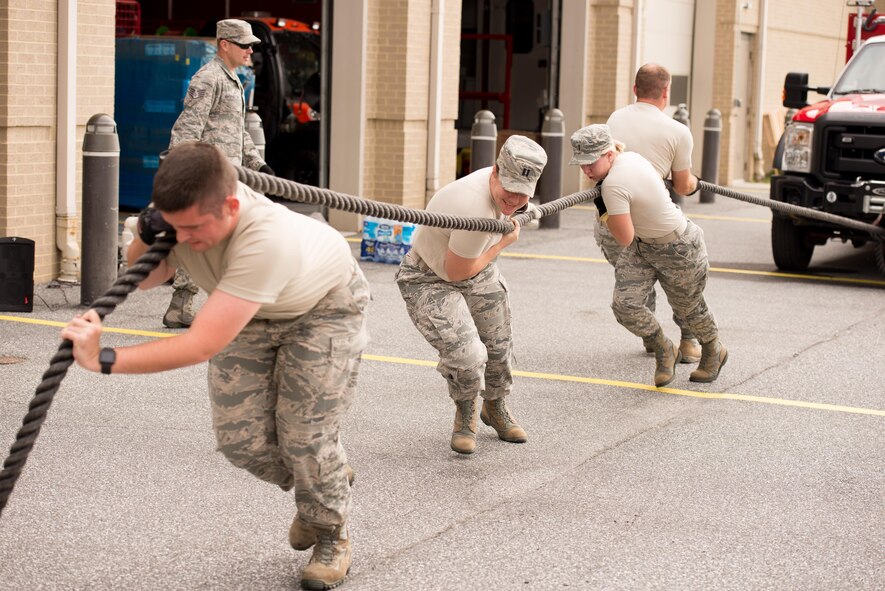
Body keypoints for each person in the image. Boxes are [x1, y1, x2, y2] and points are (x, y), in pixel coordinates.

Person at [61, 142, 366, 590]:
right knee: (240, 442)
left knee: (305, 435)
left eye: (193, 229)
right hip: (247, 310)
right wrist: (147, 235)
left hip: (322, 308)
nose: (182, 239)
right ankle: (321, 478)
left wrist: (104, 358)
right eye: (174, 228)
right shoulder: (181, 212)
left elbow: (200, 343)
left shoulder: (266, 239)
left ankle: (330, 532)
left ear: (229, 205)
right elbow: (147, 278)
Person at [395, 135, 547, 455]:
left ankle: (494, 406)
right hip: (430, 278)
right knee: (467, 354)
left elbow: (511, 205)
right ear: (494, 172)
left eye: (522, 194)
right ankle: (466, 412)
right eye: (509, 190)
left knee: (498, 343)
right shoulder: (472, 208)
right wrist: (504, 242)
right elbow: (457, 272)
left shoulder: (508, 190)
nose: (514, 199)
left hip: (476, 267)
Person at [569, 124, 727, 387]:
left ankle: (713, 350)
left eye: (590, 162)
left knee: (688, 309)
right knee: (625, 305)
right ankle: (664, 348)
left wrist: (603, 206)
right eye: (581, 163)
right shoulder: (631, 157)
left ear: (609, 154)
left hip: (678, 248)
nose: (586, 170)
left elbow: (624, 237)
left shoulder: (614, 185)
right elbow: (632, 240)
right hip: (643, 247)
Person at [163, 18, 275, 329]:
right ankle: (188, 305)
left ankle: (186, 306)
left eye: (252, 46)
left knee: (224, 240)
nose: (250, 51)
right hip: (209, 177)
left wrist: (257, 164)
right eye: (244, 45)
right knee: (211, 241)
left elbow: (237, 133)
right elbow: (187, 128)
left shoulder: (233, 80)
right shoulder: (208, 79)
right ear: (224, 44)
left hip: (230, 177)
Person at [599, 63, 702, 363]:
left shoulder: (615, 119)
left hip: (613, 219)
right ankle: (688, 340)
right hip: (654, 223)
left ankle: (650, 335)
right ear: (666, 92)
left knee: (636, 277)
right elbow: (682, 186)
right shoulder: (677, 131)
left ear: (634, 89)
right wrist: (694, 182)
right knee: (678, 278)